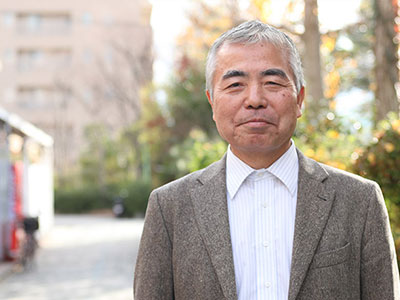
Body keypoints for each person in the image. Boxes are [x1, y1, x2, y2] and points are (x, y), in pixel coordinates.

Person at [134, 20, 399, 300]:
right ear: (212, 102)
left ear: (299, 99)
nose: (255, 99)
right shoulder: (170, 208)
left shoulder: (360, 201)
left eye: (272, 82)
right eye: (235, 84)